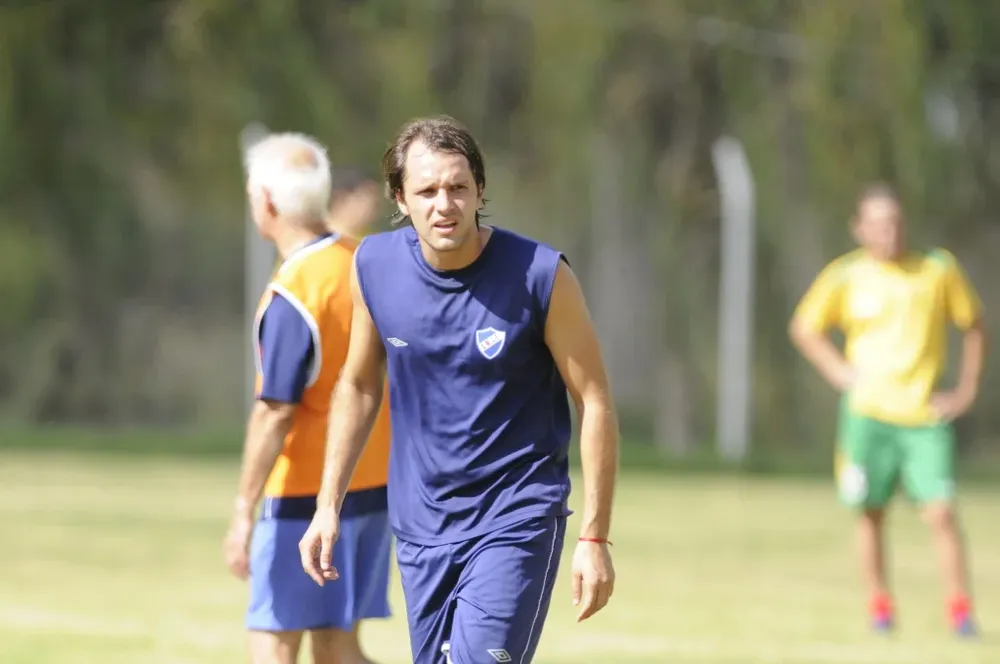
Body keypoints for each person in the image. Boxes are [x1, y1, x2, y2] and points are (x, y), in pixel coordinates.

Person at [297, 114, 620, 663]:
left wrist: (593, 538)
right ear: (400, 198)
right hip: (421, 527)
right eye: (426, 190)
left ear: (479, 192)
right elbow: (358, 385)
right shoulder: (373, 265)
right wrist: (328, 504)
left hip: (515, 517)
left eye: (457, 188)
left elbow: (594, 401)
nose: (443, 204)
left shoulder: (540, 275)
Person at [223, 132, 394, 664]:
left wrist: (244, 508)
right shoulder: (365, 262)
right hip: (372, 485)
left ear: (267, 204)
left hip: (304, 496)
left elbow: (275, 411)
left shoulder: (294, 292)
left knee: (273, 648)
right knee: (338, 649)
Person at [789, 183, 987, 637]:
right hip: (867, 416)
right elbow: (804, 327)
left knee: (941, 512)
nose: (889, 231)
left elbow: (974, 325)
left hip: (923, 416)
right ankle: (879, 607)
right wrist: (838, 371)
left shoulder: (937, 270)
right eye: (877, 223)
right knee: (870, 512)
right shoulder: (846, 275)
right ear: (859, 229)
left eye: (895, 221)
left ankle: (960, 611)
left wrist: (966, 390)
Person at [326, 165, 384, 240]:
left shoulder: (374, 239)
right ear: (342, 198)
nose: (373, 214)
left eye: (376, 205)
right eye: (368, 205)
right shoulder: (313, 239)